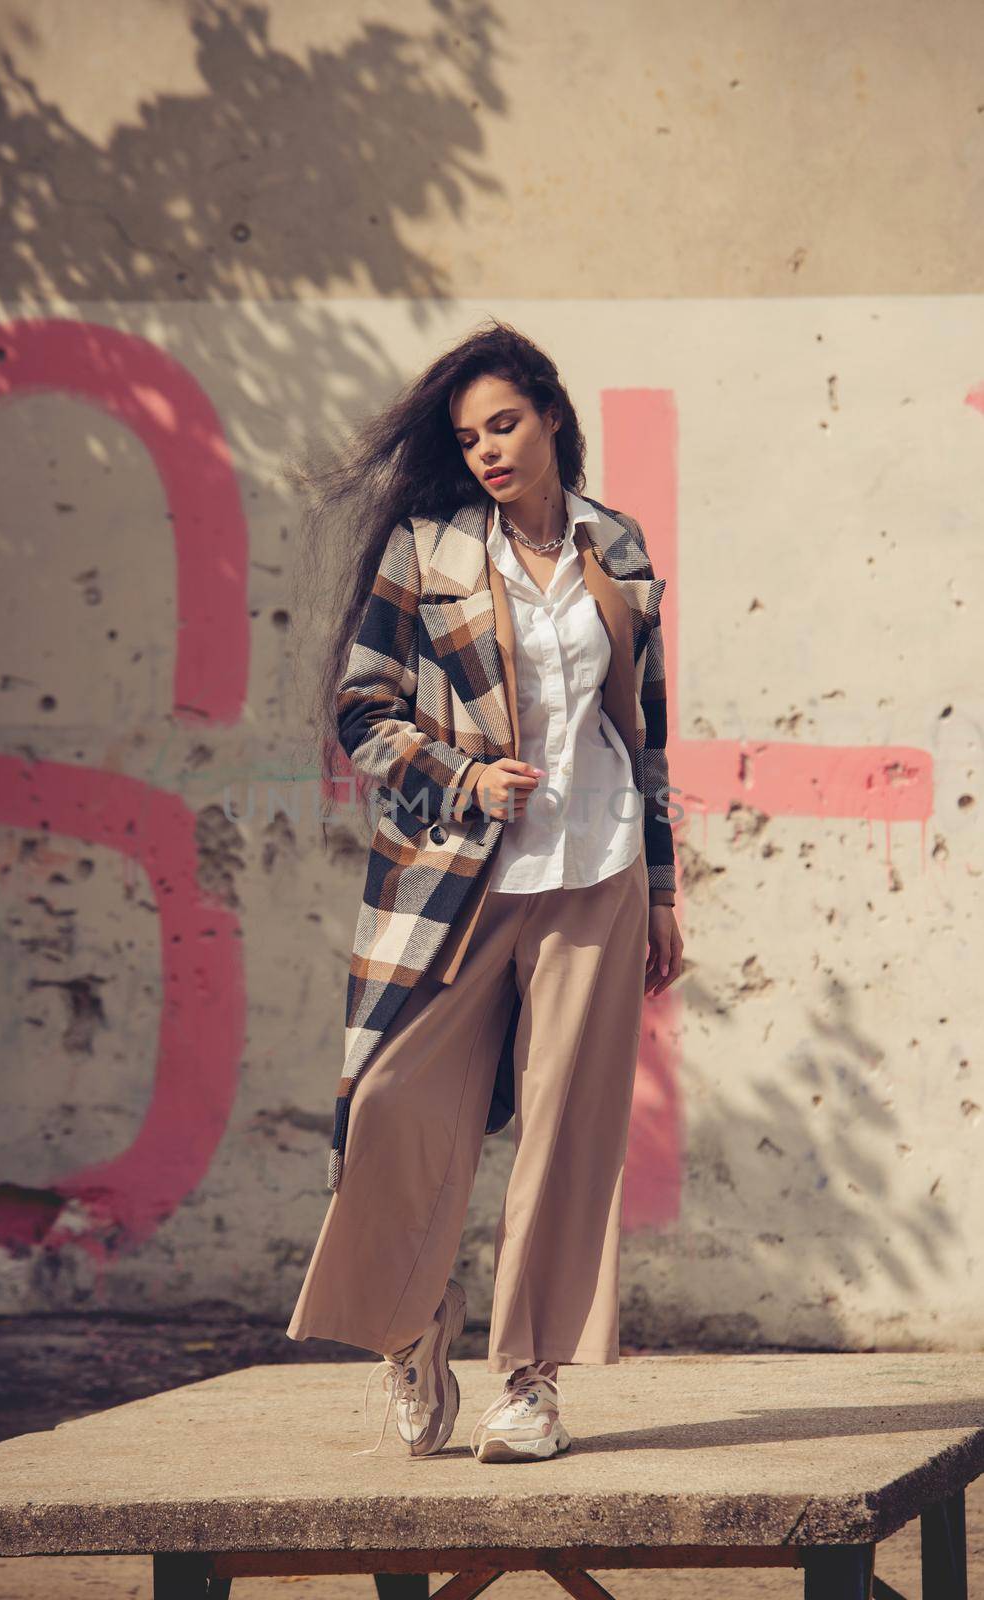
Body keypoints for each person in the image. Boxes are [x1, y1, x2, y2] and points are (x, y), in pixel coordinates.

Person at [284, 317, 684, 1463]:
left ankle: (533, 1383)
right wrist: (462, 773)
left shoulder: (620, 548)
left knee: (567, 1130)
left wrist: (661, 887)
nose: (490, 451)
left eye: (505, 424)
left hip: (597, 870)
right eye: (469, 438)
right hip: (455, 879)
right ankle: (411, 1328)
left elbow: (643, 733)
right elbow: (362, 714)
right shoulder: (431, 549)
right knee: (392, 1100)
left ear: (552, 416)